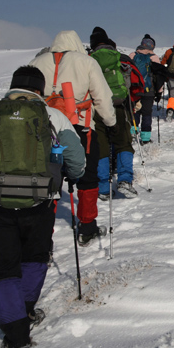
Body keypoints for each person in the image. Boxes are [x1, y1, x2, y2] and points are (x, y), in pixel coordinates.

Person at [0, 66, 85, 348]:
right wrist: (69, 177)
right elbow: (76, 159)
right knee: (35, 258)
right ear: (39, 90)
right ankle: (25, 310)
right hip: (40, 202)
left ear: (12, 87)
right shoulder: (53, 116)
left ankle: (16, 338)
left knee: (3, 268)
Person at [30, 31, 118, 244]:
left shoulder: (36, 62)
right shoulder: (86, 62)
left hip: (44, 132)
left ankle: (42, 239)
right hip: (80, 128)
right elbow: (102, 97)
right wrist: (110, 122)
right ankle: (87, 227)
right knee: (88, 178)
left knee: (48, 181)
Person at [88, 28, 138, 199]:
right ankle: (125, 180)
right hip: (119, 106)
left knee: (101, 147)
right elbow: (137, 80)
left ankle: (102, 187)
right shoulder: (120, 58)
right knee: (124, 143)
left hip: (95, 109)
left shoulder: (88, 61)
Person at [129, 35, 163, 144]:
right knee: (147, 113)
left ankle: (132, 133)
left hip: (134, 89)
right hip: (149, 90)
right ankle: (145, 138)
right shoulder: (154, 57)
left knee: (135, 111)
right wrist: (159, 92)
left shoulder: (133, 55)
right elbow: (158, 76)